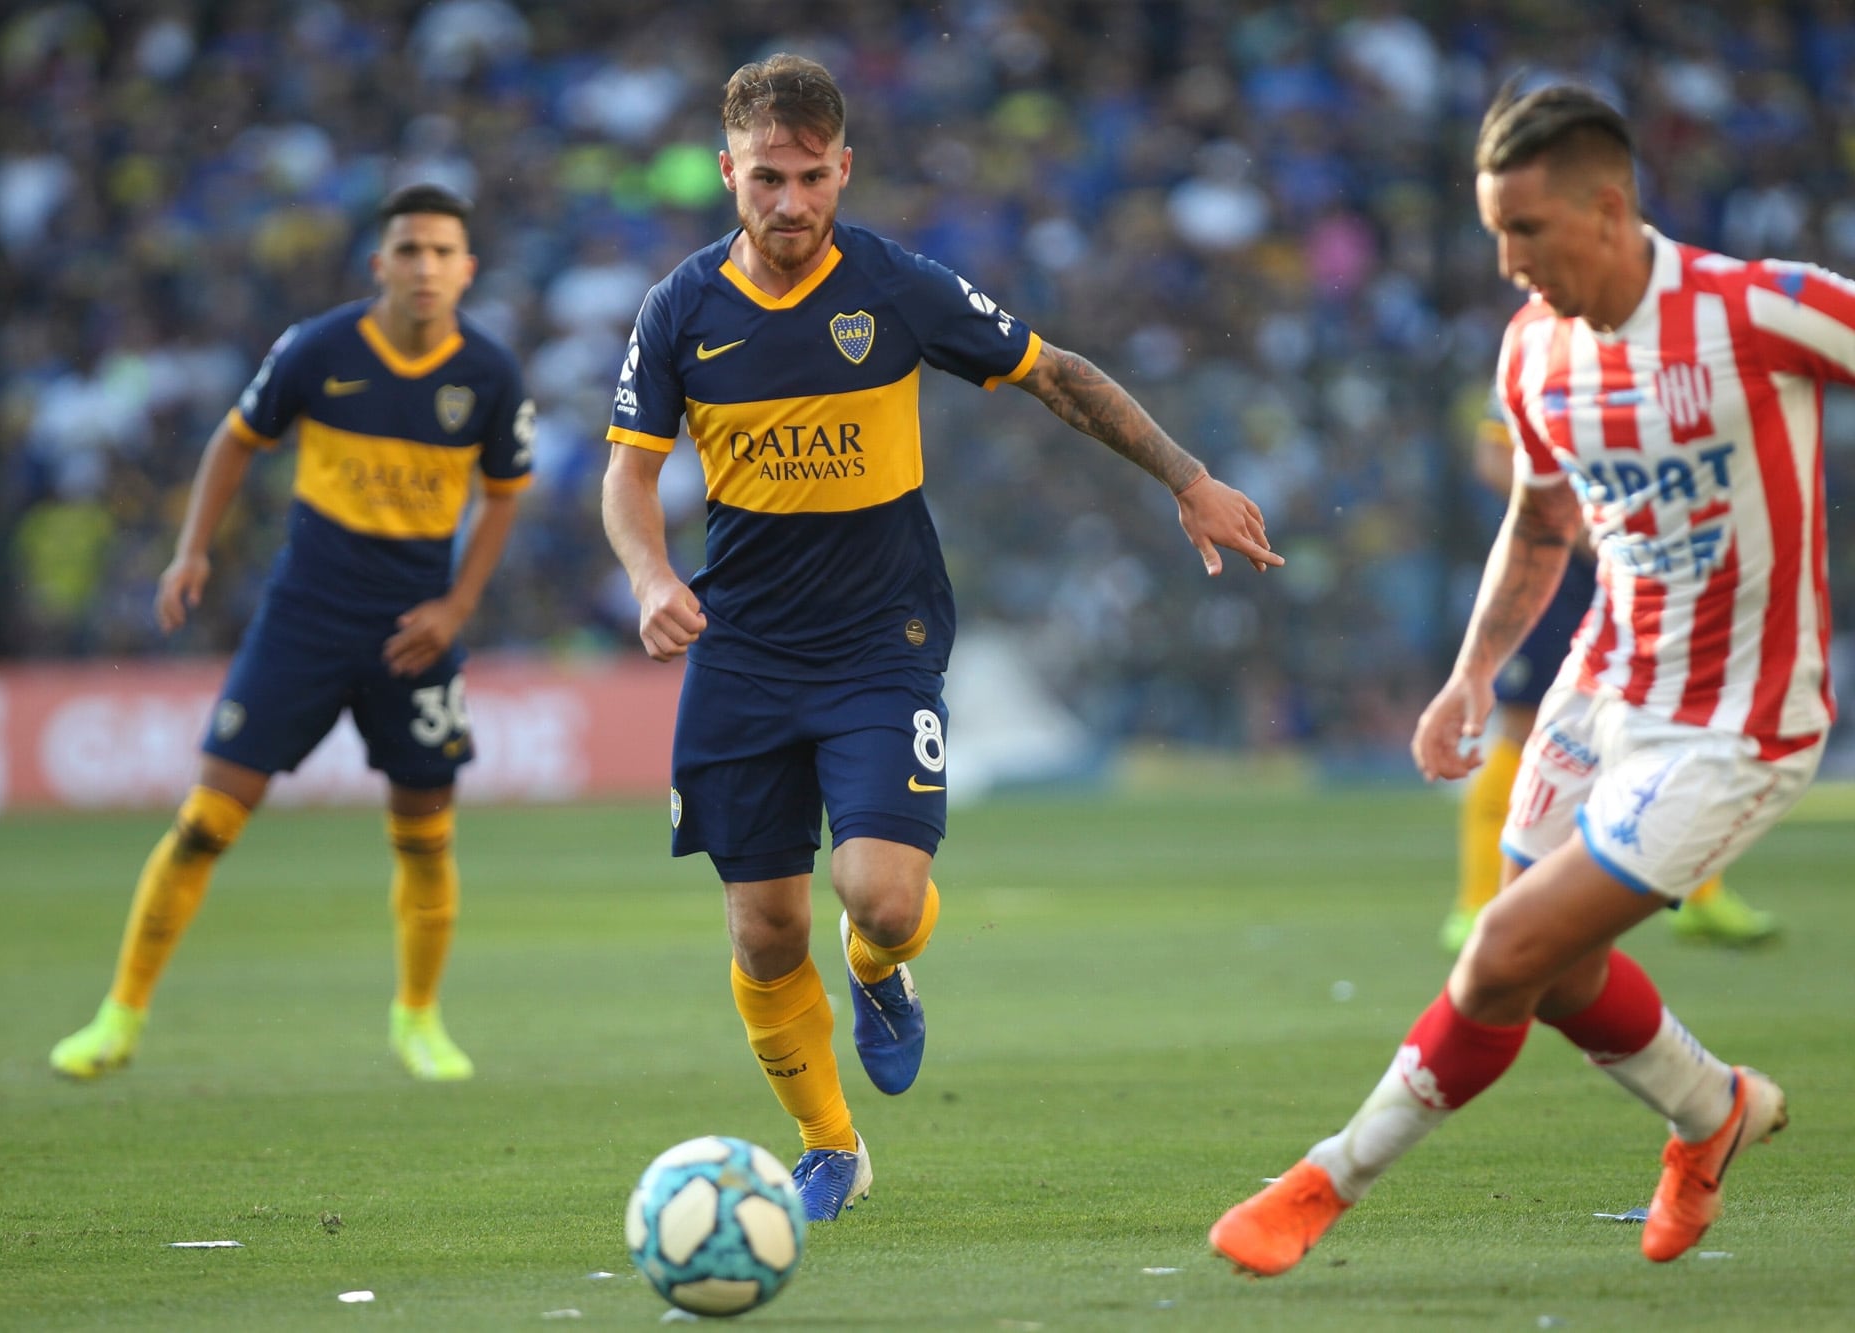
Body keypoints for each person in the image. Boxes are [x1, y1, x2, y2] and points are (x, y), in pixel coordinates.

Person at [601, 53, 1280, 1222]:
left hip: (880, 639)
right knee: (763, 926)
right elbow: (628, 476)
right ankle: (830, 1146)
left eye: (812, 177)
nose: (790, 204)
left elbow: (1052, 374)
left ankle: (880, 971)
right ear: (726, 174)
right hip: (745, 649)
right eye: (766, 178)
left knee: (878, 897)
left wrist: (1186, 476)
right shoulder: (679, 310)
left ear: (843, 168)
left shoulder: (896, 286)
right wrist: (650, 571)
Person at [1211, 81, 1839, 1276]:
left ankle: (1322, 1179)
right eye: (1493, 231)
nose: (1506, 261)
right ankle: (1709, 1114)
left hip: (1732, 725)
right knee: (1551, 976)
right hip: (1599, 688)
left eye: (1526, 230)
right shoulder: (1531, 350)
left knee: (1500, 951)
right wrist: (1467, 677)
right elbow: (1542, 518)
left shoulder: (1752, 309)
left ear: (1608, 209)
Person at [49, 183, 534, 1082]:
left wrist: (458, 606)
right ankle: (118, 1015)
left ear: (466, 269)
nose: (424, 266)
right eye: (409, 249)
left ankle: (418, 1018)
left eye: (441, 252)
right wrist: (191, 552)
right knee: (203, 823)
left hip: (414, 635)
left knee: (426, 837)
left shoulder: (491, 375)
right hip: (304, 620)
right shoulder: (321, 349)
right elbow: (235, 440)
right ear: (378, 264)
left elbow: (506, 495)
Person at [1440, 403, 1779, 953]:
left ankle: (1699, 893)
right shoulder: (1542, 343)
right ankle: (1477, 904)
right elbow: (1493, 458)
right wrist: (1580, 529)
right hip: (1562, 570)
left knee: (1683, 718)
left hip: (1641, 566)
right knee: (1523, 731)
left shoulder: (1659, 354)